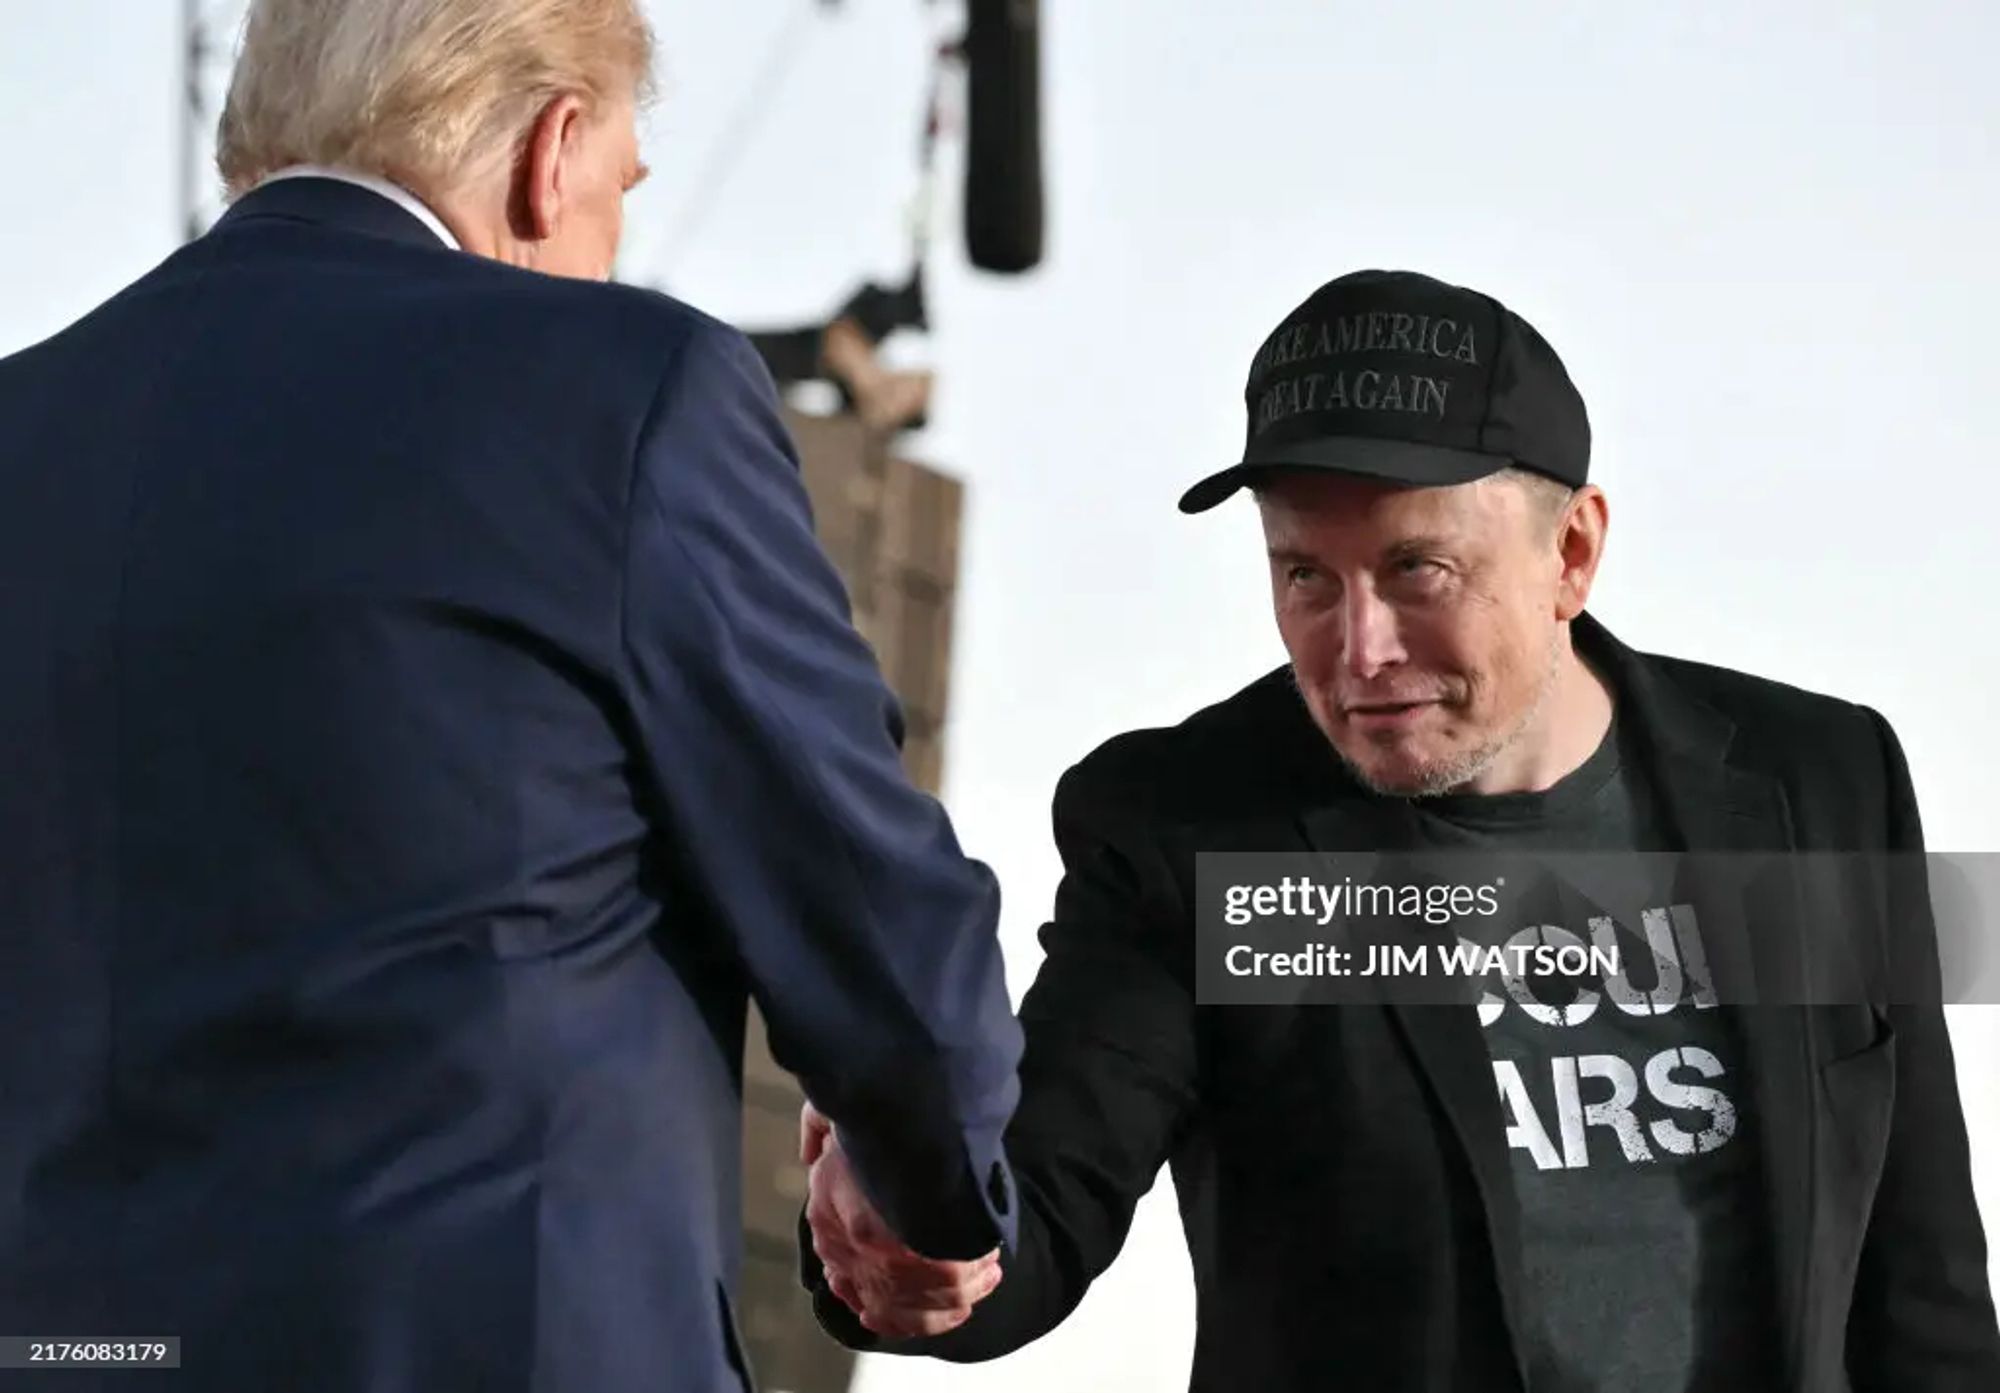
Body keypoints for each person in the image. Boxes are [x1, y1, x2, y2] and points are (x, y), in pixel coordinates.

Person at [0, 2, 1020, 1390]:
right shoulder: (630, 390)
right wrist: (938, 1185)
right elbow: (863, 897)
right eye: (617, 198)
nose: (610, 250)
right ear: (553, 153)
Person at [801, 269, 2000, 1390]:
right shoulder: (1191, 825)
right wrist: (918, 1220)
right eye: (1305, 577)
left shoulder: (1820, 782)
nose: (1358, 651)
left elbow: (1920, 1258)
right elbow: (1045, 1195)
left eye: (1415, 568)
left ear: (1570, 550)